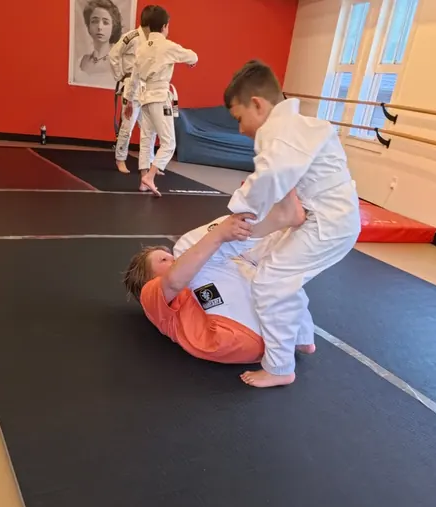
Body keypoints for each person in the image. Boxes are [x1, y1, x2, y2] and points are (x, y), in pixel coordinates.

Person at [224, 60, 361, 388]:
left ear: (257, 104)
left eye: (239, 118)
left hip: (329, 223)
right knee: (275, 268)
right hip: (325, 218)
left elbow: (269, 176)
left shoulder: (281, 131)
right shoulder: (293, 131)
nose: (240, 129)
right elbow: (284, 200)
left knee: (270, 281)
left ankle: (280, 367)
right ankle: (301, 336)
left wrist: (239, 210)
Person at [123, 193, 313, 364]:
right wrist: (219, 234)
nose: (172, 259)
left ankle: (284, 223)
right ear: (148, 280)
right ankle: (278, 217)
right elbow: (173, 281)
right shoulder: (151, 298)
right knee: (187, 247)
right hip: (231, 335)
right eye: (163, 260)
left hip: (276, 334)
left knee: (251, 265)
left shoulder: (194, 291)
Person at [126, 6, 197, 196]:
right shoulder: (167, 46)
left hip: (144, 98)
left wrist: (128, 102)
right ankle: (150, 176)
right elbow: (193, 56)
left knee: (147, 139)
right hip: (159, 98)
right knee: (169, 143)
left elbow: (133, 78)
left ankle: (143, 180)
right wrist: (191, 62)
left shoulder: (141, 49)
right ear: (165, 26)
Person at [109, 6, 157, 174]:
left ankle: (150, 161)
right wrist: (120, 76)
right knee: (127, 124)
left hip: (146, 87)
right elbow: (113, 54)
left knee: (150, 128)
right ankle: (120, 158)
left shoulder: (153, 41)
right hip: (131, 84)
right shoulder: (132, 37)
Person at [75, 0, 123, 88]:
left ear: (113, 27)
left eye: (105, 22)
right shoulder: (80, 61)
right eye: (94, 21)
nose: (100, 27)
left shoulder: (120, 62)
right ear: (88, 26)